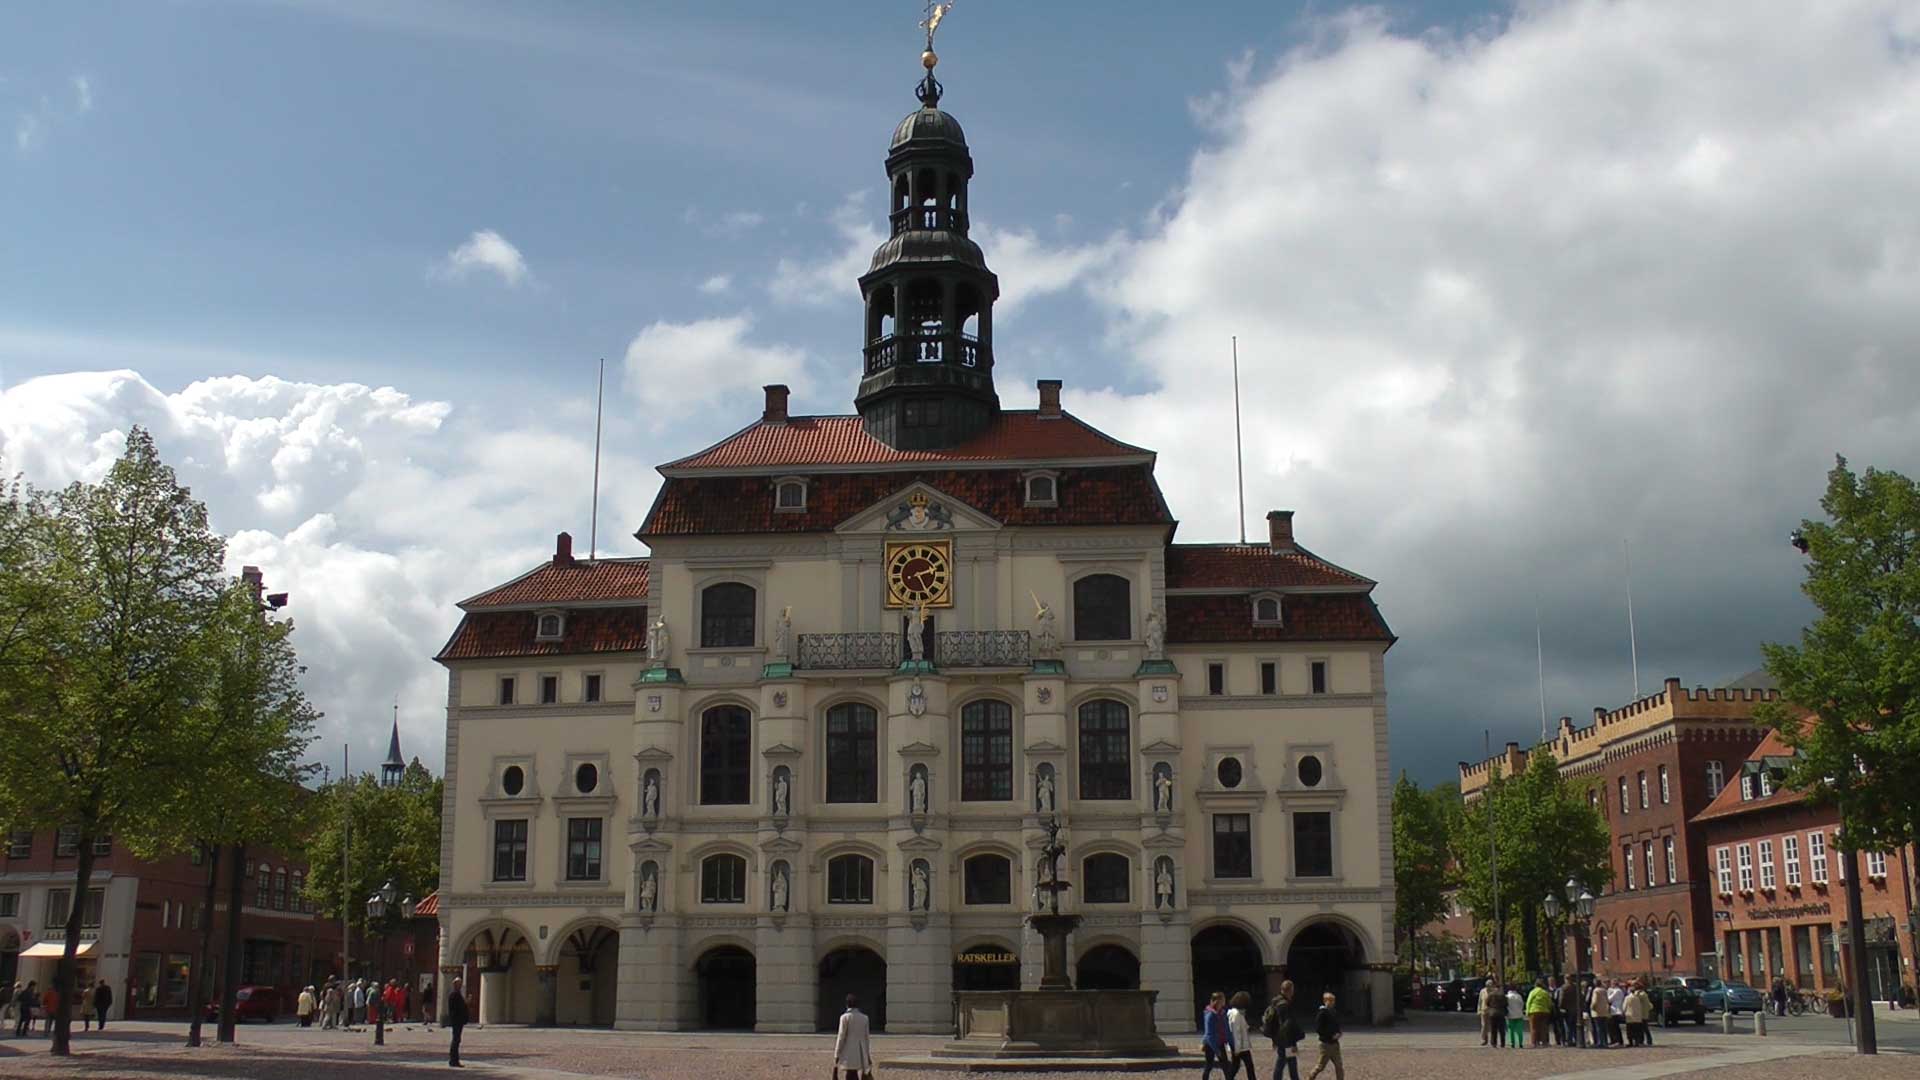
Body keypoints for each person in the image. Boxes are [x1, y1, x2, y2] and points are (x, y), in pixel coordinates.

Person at [1262, 980, 1303, 1080]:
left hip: (1278, 1037)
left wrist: (1274, 1039)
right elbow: (1287, 1026)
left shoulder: (1275, 1002)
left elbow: (1273, 1022)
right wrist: (1293, 1043)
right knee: (1283, 1062)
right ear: (1290, 990)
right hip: (1285, 1039)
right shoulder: (1284, 1005)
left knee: (1290, 1061)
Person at [832, 993, 873, 1080]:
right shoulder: (865, 1018)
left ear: (847, 1004)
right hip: (860, 1052)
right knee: (854, 1074)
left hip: (848, 1052)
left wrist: (837, 1054)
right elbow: (866, 1038)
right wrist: (867, 1055)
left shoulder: (844, 1017)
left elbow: (841, 1037)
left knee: (850, 1075)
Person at [1305, 992, 1343, 1080]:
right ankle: (1310, 1078)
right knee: (1320, 1066)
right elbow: (1319, 1029)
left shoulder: (1334, 1012)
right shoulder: (1322, 1013)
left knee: (1339, 1066)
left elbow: (1336, 1025)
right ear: (1325, 1001)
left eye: (1333, 1000)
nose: (1332, 1002)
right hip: (1326, 1044)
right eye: (1330, 1000)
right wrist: (1330, 1036)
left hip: (1335, 1044)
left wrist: (1339, 1032)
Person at [1200, 990, 1236, 1079]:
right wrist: (1216, 1050)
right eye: (1223, 999)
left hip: (1220, 1042)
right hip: (1210, 1044)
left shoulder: (1222, 1013)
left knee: (1225, 1066)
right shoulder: (1210, 1015)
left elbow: (1226, 1029)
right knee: (1209, 1065)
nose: (1224, 1001)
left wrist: (1232, 1043)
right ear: (1218, 1001)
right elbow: (1209, 1034)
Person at [1228, 991, 1258, 1080]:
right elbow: (1236, 1032)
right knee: (1249, 1066)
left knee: (1236, 1066)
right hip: (1240, 1046)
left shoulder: (1236, 1013)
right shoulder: (1237, 1014)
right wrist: (1237, 1048)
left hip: (1239, 1045)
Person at [444, 979, 469, 1068]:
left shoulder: (457, 994)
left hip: (458, 1020)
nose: (460, 986)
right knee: (456, 1040)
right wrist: (465, 1004)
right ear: (455, 985)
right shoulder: (454, 995)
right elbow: (457, 1008)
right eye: (459, 984)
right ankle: (453, 1060)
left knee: (457, 1040)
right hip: (457, 1021)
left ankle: (454, 1060)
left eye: (461, 984)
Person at [1623, 980, 1653, 1046]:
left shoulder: (1641, 994)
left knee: (1643, 1028)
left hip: (1642, 1013)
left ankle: (1646, 1040)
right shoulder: (1642, 993)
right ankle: (1643, 1040)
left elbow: (1634, 998)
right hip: (1641, 1013)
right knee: (1642, 1028)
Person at [1525, 979, 1553, 1047]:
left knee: (1534, 1028)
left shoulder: (1533, 992)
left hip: (1534, 1011)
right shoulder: (1545, 992)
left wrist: (1527, 1011)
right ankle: (1544, 1042)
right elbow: (1549, 1002)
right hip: (1544, 1011)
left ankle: (1534, 1043)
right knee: (1543, 1028)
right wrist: (1548, 1009)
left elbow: (1529, 1002)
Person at [1558, 975, 1584, 1046]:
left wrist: (1560, 1007)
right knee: (1575, 1025)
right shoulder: (1576, 987)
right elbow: (1581, 997)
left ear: (1565, 979)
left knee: (1568, 1025)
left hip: (1567, 1009)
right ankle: (1577, 1040)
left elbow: (1561, 998)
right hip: (1576, 1009)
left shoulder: (1564, 987)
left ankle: (1569, 1041)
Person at [1478, 979, 1504, 1047]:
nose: (1489, 987)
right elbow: (1480, 1001)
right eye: (1488, 985)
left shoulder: (1494, 991)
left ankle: (1492, 1041)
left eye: (1490, 985)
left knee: (1492, 1026)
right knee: (1484, 1025)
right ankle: (1484, 1039)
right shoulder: (1482, 991)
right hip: (1484, 1010)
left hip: (1491, 1011)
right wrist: (1479, 1010)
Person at [1587, 978, 1611, 1048]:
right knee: (1604, 1028)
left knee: (1599, 1028)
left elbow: (1595, 1001)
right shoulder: (1604, 990)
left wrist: (1592, 1007)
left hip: (1597, 1012)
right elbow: (1607, 1000)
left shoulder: (1596, 991)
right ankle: (1605, 1042)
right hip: (1604, 1011)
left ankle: (1600, 1042)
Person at [1503, 983, 1525, 1049]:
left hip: (1510, 1015)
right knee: (1519, 1030)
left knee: (1511, 1030)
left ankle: (1512, 1043)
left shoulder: (1507, 997)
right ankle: (1520, 1043)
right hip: (1519, 1014)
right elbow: (1522, 1005)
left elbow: (1505, 1006)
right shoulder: (1519, 996)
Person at [1607, 980, 1626, 1046]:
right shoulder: (1618, 990)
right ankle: (1617, 1040)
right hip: (1615, 1010)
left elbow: (1609, 999)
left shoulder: (1617, 991)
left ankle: (1617, 1040)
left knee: (1614, 1027)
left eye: (1612, 984)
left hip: (1616, 1011)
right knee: (1614, 1027)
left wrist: (1609, 992)